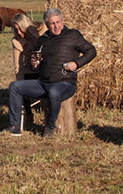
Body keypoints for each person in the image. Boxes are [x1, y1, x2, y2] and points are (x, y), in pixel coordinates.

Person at [7, 8, 97, 137]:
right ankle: (14, 126)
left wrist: (76, 63)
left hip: (65, 84)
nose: (56, 26)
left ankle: (50, 126)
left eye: (58, 22)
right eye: (52, 23)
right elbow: (37, 66)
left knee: (54, 91)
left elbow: (91, 51)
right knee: (15, 87)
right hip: (43, 83)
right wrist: (35, 65)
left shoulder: (73, 35)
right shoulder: (43, 40)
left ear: (62, 21)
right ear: (47, 25)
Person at [11, 13, 48, 128]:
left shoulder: (42, 30)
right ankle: (27, 115)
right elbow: (18, 65)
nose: (19, 33)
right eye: (16, 30)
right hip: (31, 69)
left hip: (48, 67)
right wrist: (19, 83)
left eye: (21, 29)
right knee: (21, 83)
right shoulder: (17, 41)